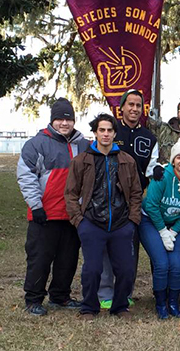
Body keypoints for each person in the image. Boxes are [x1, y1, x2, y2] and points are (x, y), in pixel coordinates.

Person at [64, 114, 143, 320]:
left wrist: (132, 220)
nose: (106, 134)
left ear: (115, 133)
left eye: (109, 130)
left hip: (121, 224)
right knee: (92, 270)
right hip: (91, 223)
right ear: (95, 133)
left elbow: (136, 192)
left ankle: (120, 306)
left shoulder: (127, 160)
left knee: (126, 270)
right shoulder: (81, 161)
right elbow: (71, 193)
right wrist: (79, 221)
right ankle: (89, 307)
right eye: (102, 130)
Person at [17, 97, 89, 316]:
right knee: (40, 258)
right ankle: (33, 299)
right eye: (59, 119)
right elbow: (26, 175)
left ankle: (60, 296)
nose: (64, 124)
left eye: (68, 119)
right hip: (45, 214)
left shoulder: (83, 144)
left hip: (71, 215)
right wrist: (35, 205)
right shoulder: (36, 144)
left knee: (68, 259)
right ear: (52, 121)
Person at [98, 89, 159, 310]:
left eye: (137, 105)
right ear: (121, 107)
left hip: (134, 201)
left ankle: (126, 292)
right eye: (130, 104)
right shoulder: (111, 133)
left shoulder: (150, 138)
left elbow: (152, 170)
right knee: (107, 246)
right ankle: (105, 291)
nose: (133, 109)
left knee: (129, 248)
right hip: (108, 200)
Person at [139, 137, 180, 319]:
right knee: (162, 264)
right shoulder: (163, 177)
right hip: (151, 221)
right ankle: (160, 304)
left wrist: (174, 231)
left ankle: (173, 303)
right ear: (173, 160)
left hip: (174, 225)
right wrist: (162, 231)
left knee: (176, 265)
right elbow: (151, 205)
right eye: (179, 157)